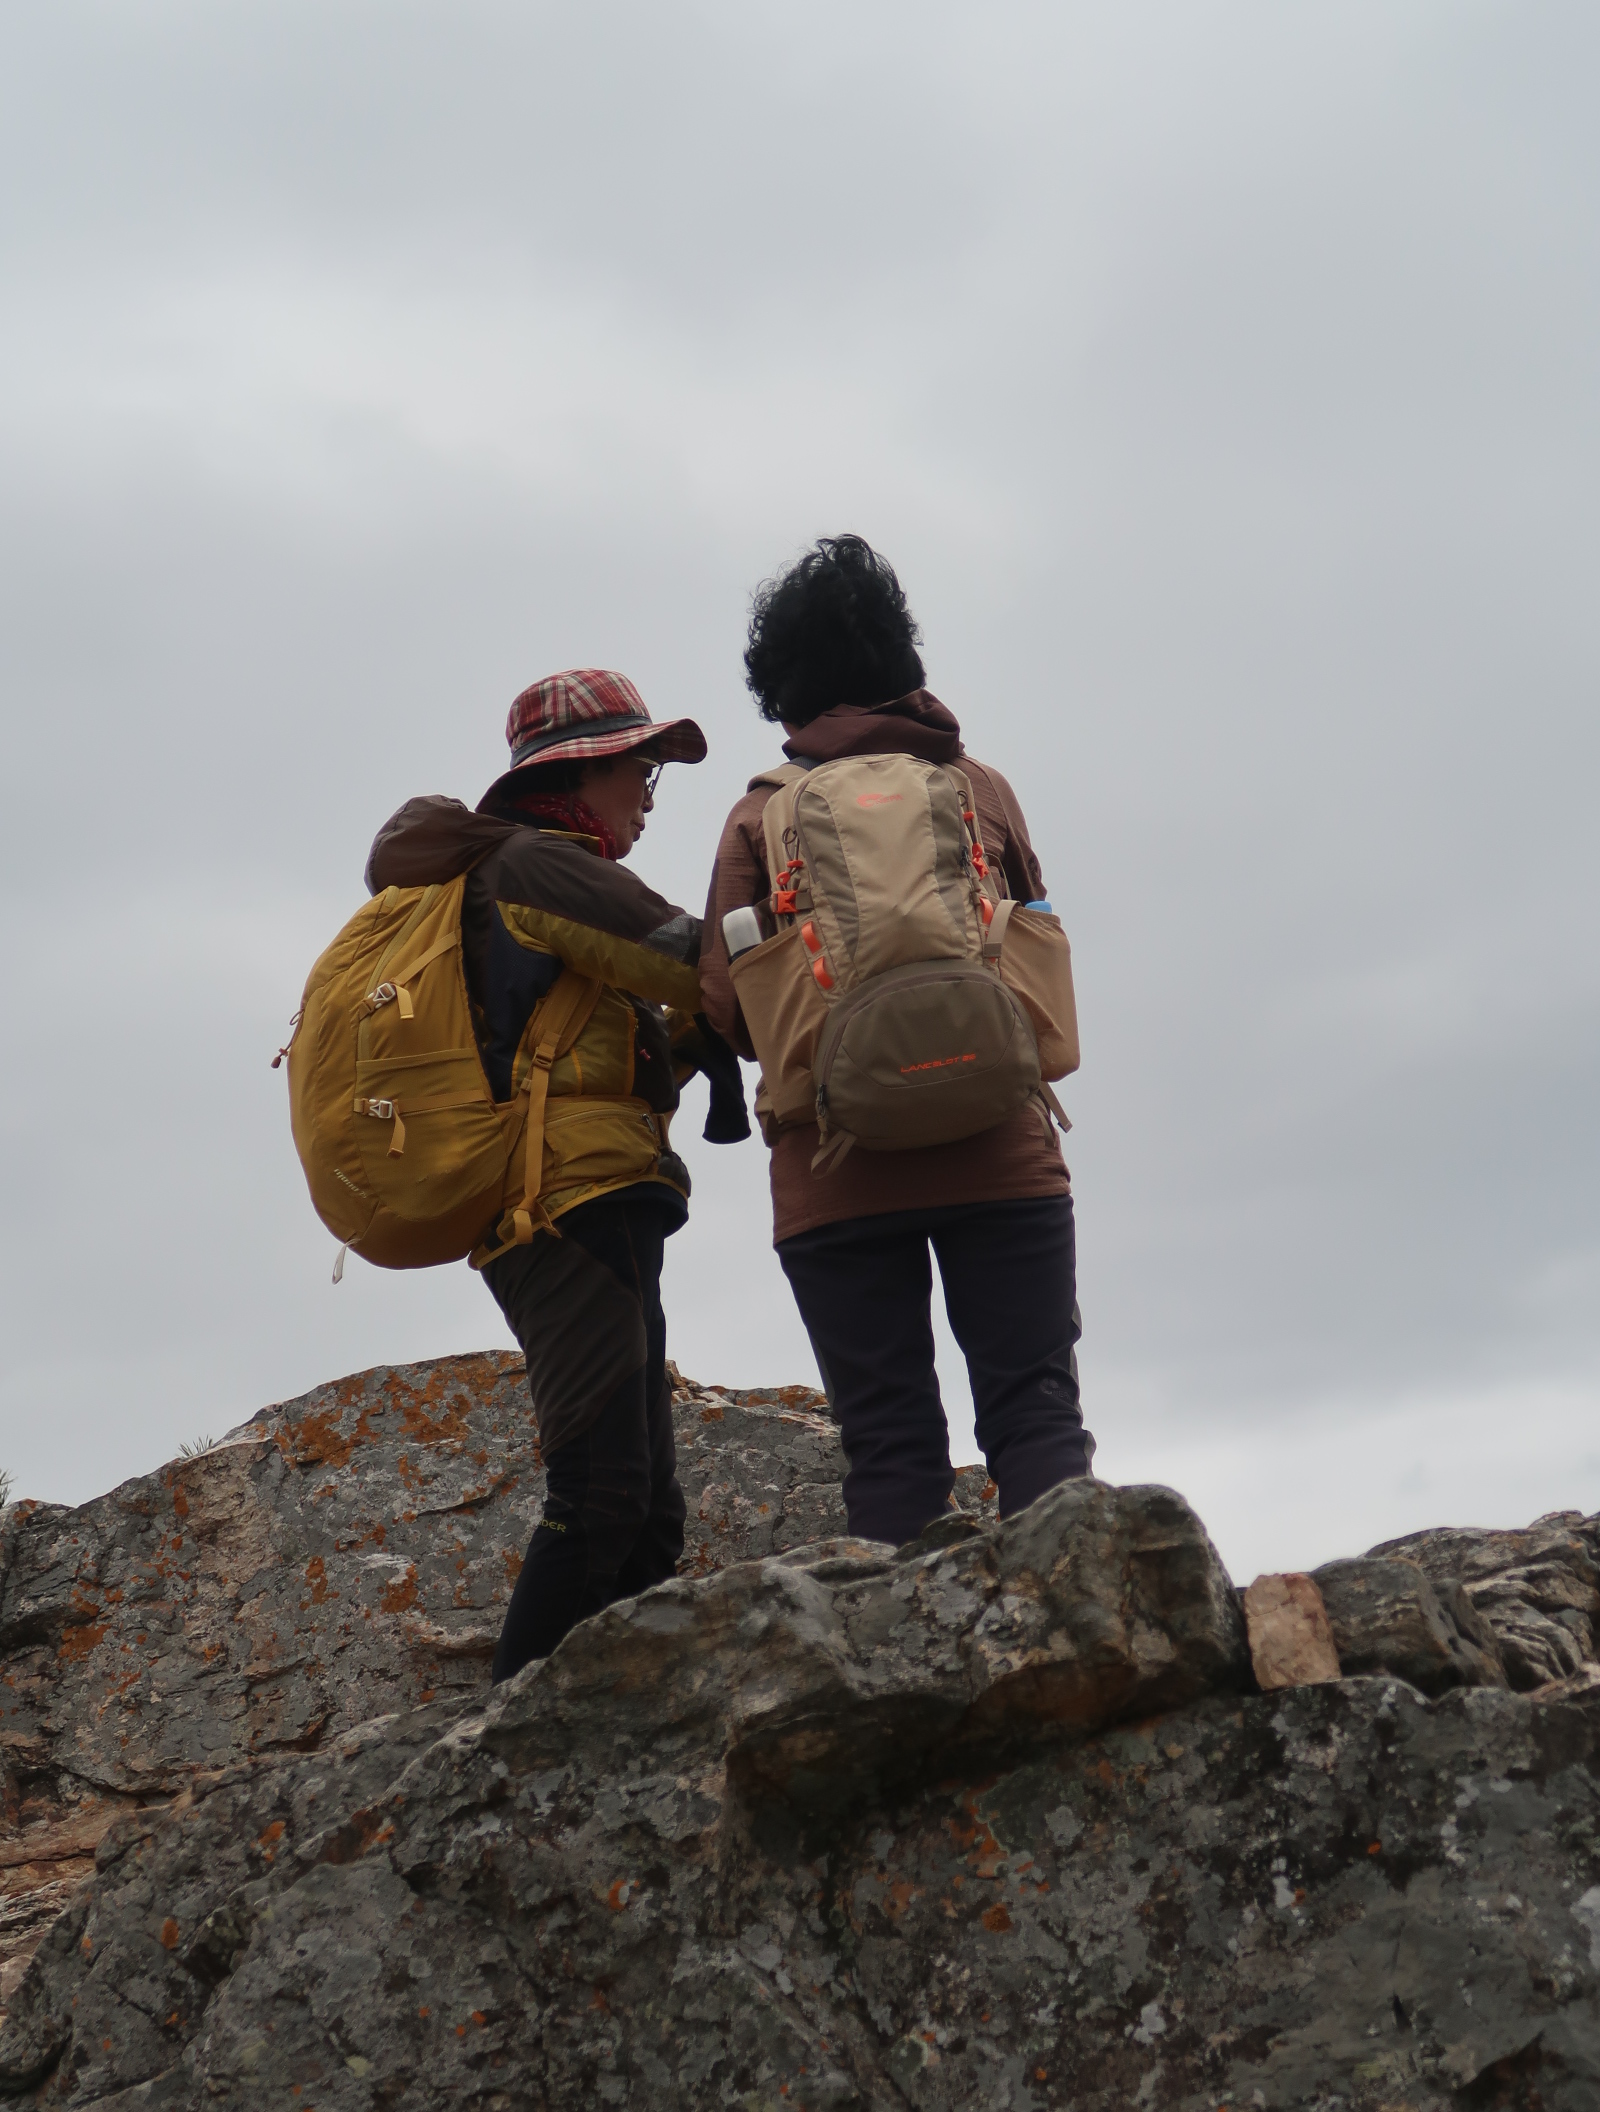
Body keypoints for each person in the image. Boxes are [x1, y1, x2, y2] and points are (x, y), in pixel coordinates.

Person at [699, 536, 1094, 1547]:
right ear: (901, 659)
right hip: (1000, 1148)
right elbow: (1030, 929)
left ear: (782, 689)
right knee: (1036, 1415)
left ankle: (903, 1648)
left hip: (833, 1169)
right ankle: (1083, 1624)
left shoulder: (759, 814)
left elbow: (726, 1010)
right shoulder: (980, 789)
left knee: (888, 1448)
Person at [366, 669, 746, 1681]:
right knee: (603, 1495)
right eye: (640, 769)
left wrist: (687, 1043)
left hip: (583, 1198)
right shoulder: (540, 866)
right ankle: (501, 1749)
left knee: (645, 1515)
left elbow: (581, 1060)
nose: (650, 796)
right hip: (567, 1206)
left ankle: (597, 1736)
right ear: (580, 770)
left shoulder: (513, 877)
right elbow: (693, 960)